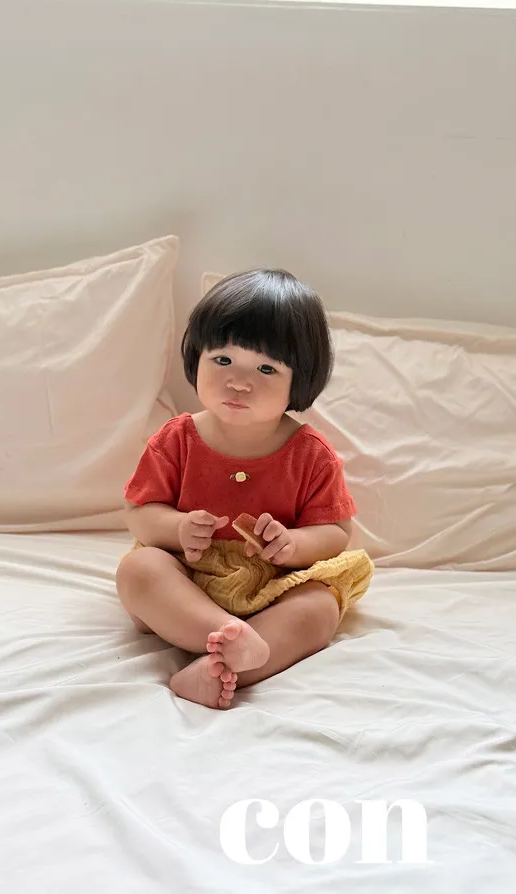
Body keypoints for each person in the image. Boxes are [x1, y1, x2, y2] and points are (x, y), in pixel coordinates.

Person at [116, 269, 373, 709]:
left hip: (273, 585)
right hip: (189, 579)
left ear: (300, 380)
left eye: (266, 368)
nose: (238, 382)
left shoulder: (311, 454)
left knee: (320, 607)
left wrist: (292, 545)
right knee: (138, 571)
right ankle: (229, 638)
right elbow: (139, 512)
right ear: (197, 358)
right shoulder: (176, 439)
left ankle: (225, 665)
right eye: (222, 360)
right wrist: (177, 528)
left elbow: (335, 532)